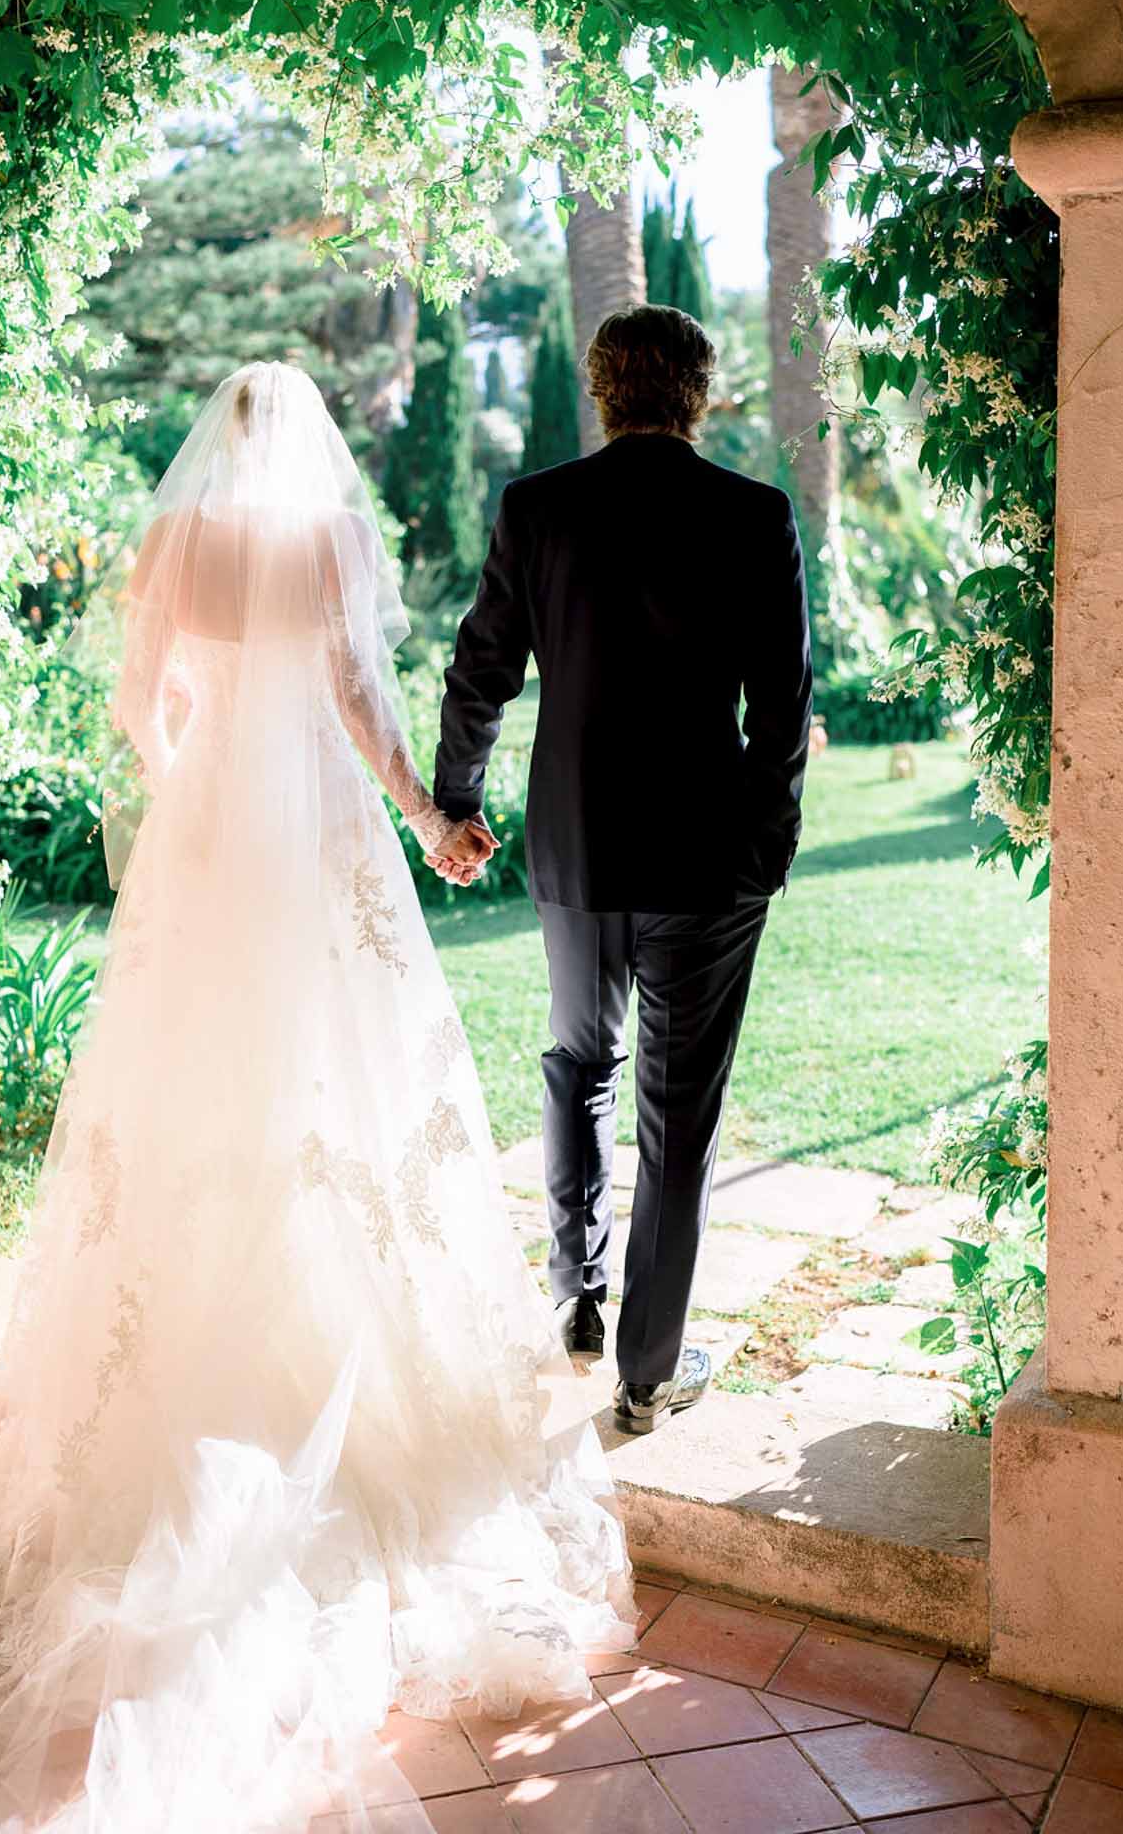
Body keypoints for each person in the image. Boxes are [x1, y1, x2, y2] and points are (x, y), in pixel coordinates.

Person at [0, 363, 635, 1834]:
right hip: (316, 851)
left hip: (208, 855)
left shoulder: (174, 545)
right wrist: (432, 814)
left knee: (198, 1100)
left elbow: (141, 703)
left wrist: (188, 784)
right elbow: (367, 703)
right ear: (303, 445)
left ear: (213, 446)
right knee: (340, 1092)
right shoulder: (328, 545)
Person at [430, 305, 813, 1436]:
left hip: (575, 848)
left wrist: (460, 795)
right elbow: (783, 705)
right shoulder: (754, 513)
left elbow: (480, 670)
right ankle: (647, 1372)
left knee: (578, 1063)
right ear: (700, 393)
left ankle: (579, 1295)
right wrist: (770, 842)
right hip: (707, 861)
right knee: (677, 1116)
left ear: (603, 392)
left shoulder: (538, 508)